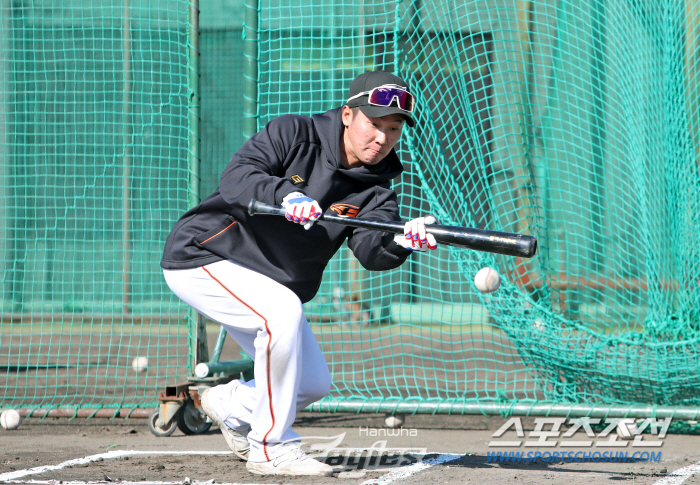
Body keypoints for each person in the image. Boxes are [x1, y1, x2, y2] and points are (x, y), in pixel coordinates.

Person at [160, 70, 438, 477]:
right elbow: (238, 177)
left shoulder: (377, 191)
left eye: (393, 129)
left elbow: (370, 252)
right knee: (282, 314)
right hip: (204, 256)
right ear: (348, 115)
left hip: (265, 282)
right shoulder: (294, 132)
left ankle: (228, 404)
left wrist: (402, 242)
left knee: (309, 384)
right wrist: (285, 194)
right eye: (374, 125)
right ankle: (271, 448)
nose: (382, 139)